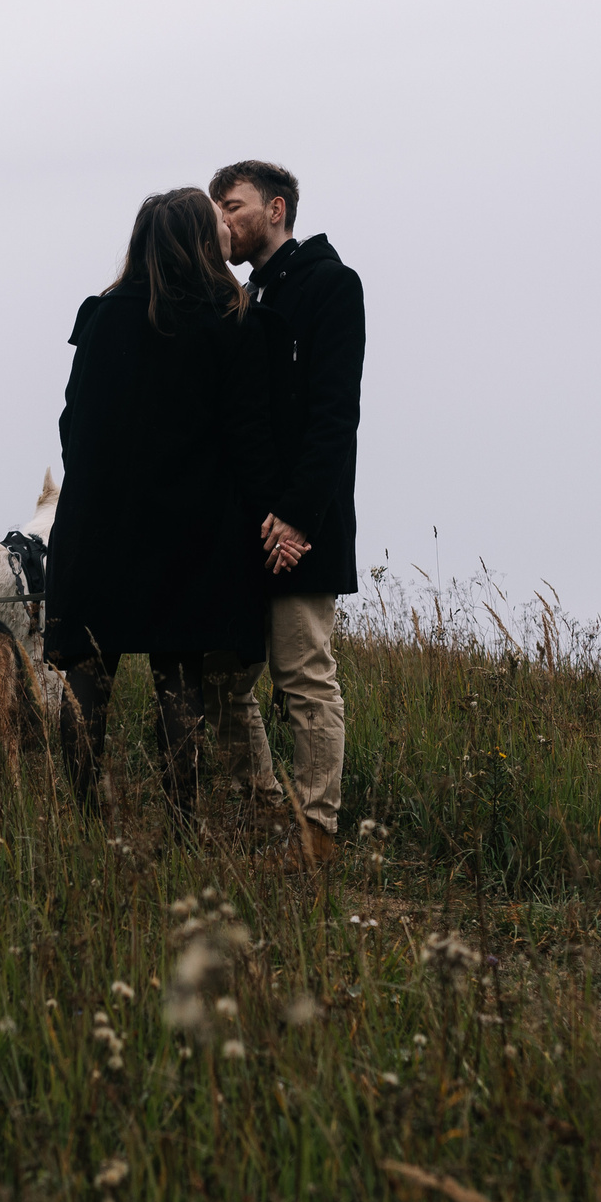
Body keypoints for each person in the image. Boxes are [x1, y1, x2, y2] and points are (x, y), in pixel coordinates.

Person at [44, 187, 277, 819]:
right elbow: (250, 437)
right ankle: (183, 825)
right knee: (181, 677)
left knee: (88, 674)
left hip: (99, 522)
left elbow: (72, 424)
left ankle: (87, 823)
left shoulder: (100, 315)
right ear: (203, 241)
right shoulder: (232, 319)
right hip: (192, 527)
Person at [207, 159, 365, 866]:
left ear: (275, 209)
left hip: (305, 530)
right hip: (245, 530)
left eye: (232, 205)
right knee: (223, 678)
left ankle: (317, 833)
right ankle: (270, 804)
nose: (221, 219)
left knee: (304, 677)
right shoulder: (241, 297)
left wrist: (297, 518)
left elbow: (334, 416)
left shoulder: (332, 284)